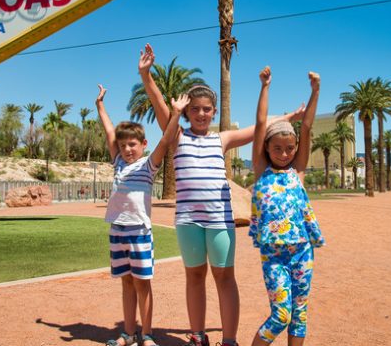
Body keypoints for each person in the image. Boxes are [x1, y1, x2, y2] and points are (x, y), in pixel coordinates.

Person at [139, 44, 303, 346]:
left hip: (220, 222)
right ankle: (198, 335)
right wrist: (146, 75)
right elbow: (160, 104)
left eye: (207, 109)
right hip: (188, 222)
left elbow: (260, 127)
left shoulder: (222, 139)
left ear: (214, 112)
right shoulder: (176, 135)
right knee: (195, 278)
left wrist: (291, 115)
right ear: (187, 112)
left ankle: (229, 340)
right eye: (195, 109)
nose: (201, 114)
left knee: (225, 279)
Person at [96, 83, 190, 346]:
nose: (127, 150)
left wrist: (176, 114)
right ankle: (128, 333)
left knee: (142, 284)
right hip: (117, 231)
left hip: (139, 232)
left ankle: (146, 335)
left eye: (133, 145)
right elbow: (108, 131)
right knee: (126, 283)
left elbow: (166, 140)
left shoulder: (148, 166)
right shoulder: (117, 163)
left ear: (143, 144)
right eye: (123, 145)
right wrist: (100, 105)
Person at [248, 67, 325, 346]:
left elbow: (305, 127)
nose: (283, 154)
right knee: (281, 314)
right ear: (267, 149)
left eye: (289, 148)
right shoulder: (260, 170)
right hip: (274, 256)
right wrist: (265, 86)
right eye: (277, 148)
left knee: (299, 314)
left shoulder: (298, 170)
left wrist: (315, 92)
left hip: (302, 251)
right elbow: (259, 123)